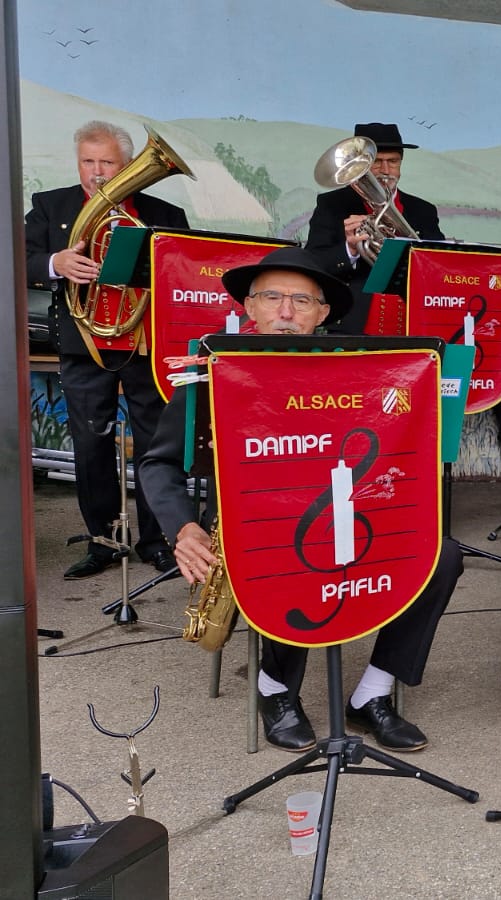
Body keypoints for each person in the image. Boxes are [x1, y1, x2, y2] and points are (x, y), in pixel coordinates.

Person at [138, 247, 463, 754]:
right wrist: (183, 529)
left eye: (301, 301)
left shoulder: (357, 371)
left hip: (349, 509)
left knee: (440, 557)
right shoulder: (210, 370)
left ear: (324, 314)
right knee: (290, 553)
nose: (285, 312)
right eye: (271, 297)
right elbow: (156, 464)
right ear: (249, 306)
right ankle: (275, 687)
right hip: (254, 518)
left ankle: (373, 692)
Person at [24, 120, 190, 579]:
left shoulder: (165, 213)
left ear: (129, 164)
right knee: (90, 444)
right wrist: (54, 262)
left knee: (157, 444)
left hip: (142, 343)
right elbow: (17, 257)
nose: (97, 172)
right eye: (88, 161)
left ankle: (160, 542)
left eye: (108, 162)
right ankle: (104, 541)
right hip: (84, 345)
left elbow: (184, 272)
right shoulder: (50, 206)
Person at [306, 123, 445, 334]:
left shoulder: (423, 210)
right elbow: (313, 263)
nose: (386, 170)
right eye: (377, 162)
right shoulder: (332, 205)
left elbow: (438, 263)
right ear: (358, 165)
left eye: (393, 162)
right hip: (351, 324)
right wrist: (350, 249)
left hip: (412, 321)